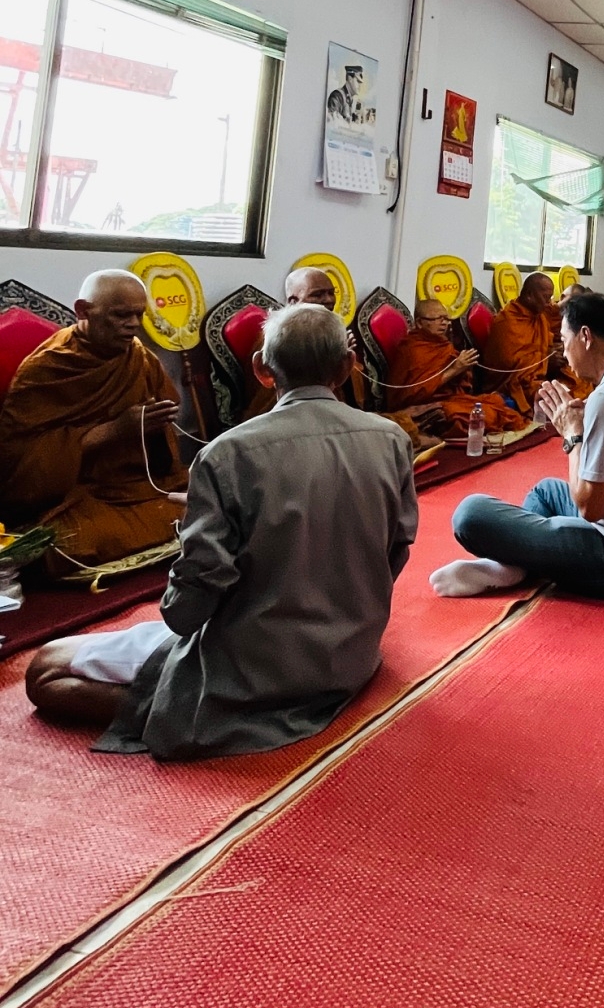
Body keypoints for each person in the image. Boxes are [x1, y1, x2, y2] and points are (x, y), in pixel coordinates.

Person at [25, 304, 416, 759]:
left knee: (45, 670)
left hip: (253, 670)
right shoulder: (391, 439)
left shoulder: (227, 454)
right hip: (351, 655)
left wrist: (203, 528)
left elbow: (188, 609)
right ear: (347, 366)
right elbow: (397, 549)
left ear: (262, 369)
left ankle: (194, 711)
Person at [432, 291, 604, 601]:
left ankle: (514, 567)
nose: (564, 352)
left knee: (470, 515)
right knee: (546, 491)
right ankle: (517, 565)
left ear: (585, 336)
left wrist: (573, 436)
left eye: (563, 339)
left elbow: (590, 509)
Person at [0, 270, 186, 581]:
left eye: (139, 314)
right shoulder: (47, 368)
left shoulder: (138, 357)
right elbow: (18, 464)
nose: (134, 324)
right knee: (61, 544)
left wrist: (155, 424)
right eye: (121, 315)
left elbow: (164, 455)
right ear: (83, 311)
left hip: (133, 486)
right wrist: (114, 431)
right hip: (76, 496)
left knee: (209, 497)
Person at [382, 299, 526, 439]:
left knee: (497, 402)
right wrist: (455, 369)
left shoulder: (442, 344)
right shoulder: (412, 350)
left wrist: (464, 369)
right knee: (485, 415)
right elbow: (411, 395)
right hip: (423, 408)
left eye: (446, 318)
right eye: (437, 318)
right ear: (420, 323)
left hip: (449, 400)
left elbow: (461, 385)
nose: (444, 323)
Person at [242, 267, 366, 418]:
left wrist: (340, 356)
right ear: (293, 301)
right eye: (317, 294)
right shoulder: (277, 337)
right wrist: (333, 359)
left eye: (331, 293)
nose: (328, 299)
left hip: (332, 413)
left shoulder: (334, 333)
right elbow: (276, 389)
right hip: (288, 416)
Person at [483, 271, 562, 419]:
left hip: (537, 377)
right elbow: (509, 365)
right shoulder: (507, 321)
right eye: (546, 297)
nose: (549, 303)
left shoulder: (539, 316)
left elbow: (546, 343)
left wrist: (555, 352)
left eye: (550, 297)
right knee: (552, 395)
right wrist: (546, 360)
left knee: (575, 378)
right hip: (514, 385)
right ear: (530, 295)